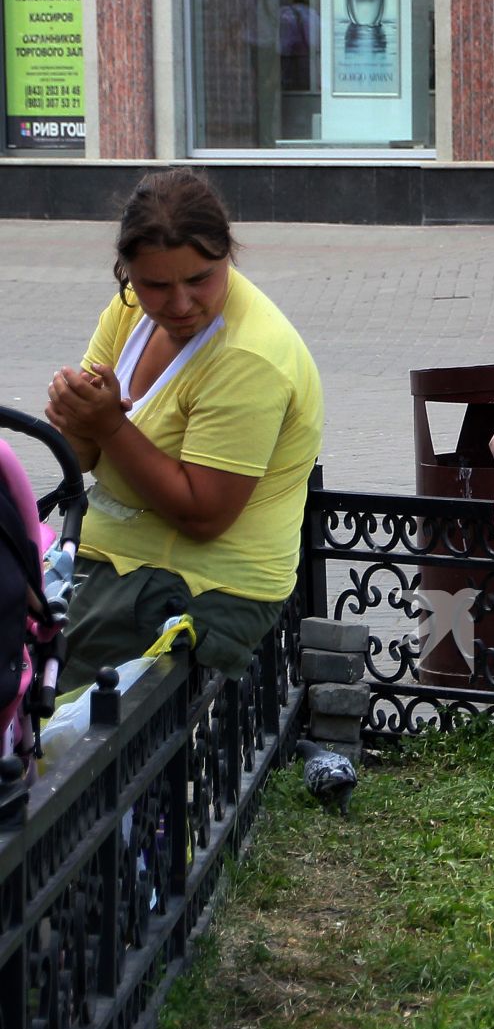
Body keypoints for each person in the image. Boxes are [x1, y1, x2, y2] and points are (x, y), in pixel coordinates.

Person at [45, 167, 324, 691]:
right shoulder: (130, 311)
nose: (179, 304)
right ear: (127, 273)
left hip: (201, 584)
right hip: (115, 559)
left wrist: (106, 425)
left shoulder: (248, 356)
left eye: (200, 279)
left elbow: (203, 514)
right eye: (155, 284)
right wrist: (76, 414)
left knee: (43, 706)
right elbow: (79, 456)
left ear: (228, 256)